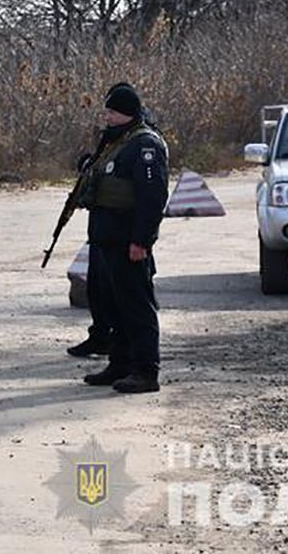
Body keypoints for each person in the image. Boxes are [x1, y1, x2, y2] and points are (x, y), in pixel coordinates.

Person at [76, 83, 170, 393]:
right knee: (112, 305)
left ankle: (145, 370)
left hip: (128, 241)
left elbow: (151, 198)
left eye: (112, 111)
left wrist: (141, 241)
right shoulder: (115, 142)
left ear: (127, 112)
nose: (107, 116)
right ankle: (120, 363)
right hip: (106, 240)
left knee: (136, 306)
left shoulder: (145, 146)